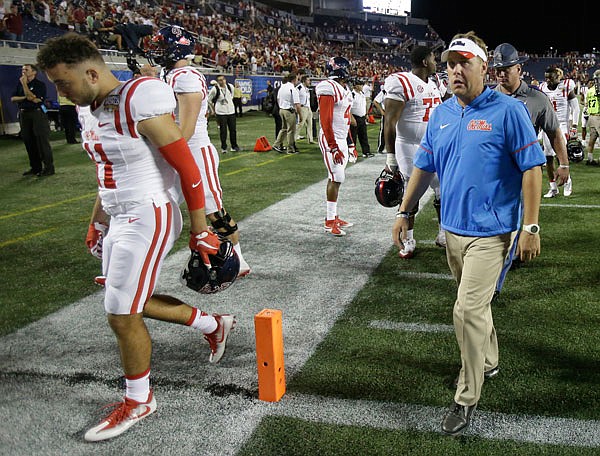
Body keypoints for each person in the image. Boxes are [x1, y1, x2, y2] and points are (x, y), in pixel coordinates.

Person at [36, 33, 236, 442]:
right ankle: (213, 324)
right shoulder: (90, 108)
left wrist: (201, 229)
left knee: (121, 312)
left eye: (63, 82)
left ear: (91, 72)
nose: (59, 92)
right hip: (120, 214)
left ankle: (139, 399)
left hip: (148, 214)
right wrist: (97, 220)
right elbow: (105, 173)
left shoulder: (137, 99)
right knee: (131, 300)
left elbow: (188, 166)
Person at [392, 32, 545, 436]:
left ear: (483, 67)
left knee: (466, 310)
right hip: (453, 232)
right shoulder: (441, 113)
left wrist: (530, 226)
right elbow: (424, 166)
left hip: (493, 233)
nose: (455, 70)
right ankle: (490, 359)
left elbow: (532, 167)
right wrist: (405, 211)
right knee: (474, 307)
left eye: (464, 62)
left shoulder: (508, 110)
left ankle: (466, 397)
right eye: (449, 63)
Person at [149, 25, 251, 278]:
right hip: (173, 150)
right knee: (158, 207)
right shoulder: (169, 75)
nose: (156, 50)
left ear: (176, 47)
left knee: (214, 212)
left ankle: (239, 258)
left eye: (162, 45)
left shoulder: (186, 77)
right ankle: (146, 260)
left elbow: (186, 130)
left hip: (192, 151)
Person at [491, 42, 570, 298]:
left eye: (506, 69)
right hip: (491, 172)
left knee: (514, 225)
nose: (501, 74)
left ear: (519, 69)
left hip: (523, 172)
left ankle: (493, 286)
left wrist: (564, 163)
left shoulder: (537, 98)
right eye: (498, 69)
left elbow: (554, 133)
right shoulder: (488, 96)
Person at [383, 46, 444, 258]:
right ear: (425, 61)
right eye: (433, 58)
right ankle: (408, 239)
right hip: (408, 144)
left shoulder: (434, 84)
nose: (436, 62)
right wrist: (390, 156)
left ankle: (443, 233)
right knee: (413, 191)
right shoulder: (401, 81)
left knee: (442, 188)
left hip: (432, 144)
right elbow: (389, 122)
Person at [317, 57, 355, 236]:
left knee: (336, 178)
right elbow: (326, 120)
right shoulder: (328, 87)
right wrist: (333, 146)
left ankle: (333, 216)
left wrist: (350, 143)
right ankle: (329, 220)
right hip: (330, 138)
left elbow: (345, 120)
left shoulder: (342, 88)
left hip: (341, 137)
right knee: (336, 177)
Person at [538, 66, 579, 197]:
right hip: (547, 125)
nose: (548, 80)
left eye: (551, 77)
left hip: (561, 125)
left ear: (558, 77)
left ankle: (567, 181)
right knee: (548, 158)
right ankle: (553, 187)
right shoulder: (542, 88)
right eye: (546, 78)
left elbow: (576, 108)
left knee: (560, 156)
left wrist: (574, 126)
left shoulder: (566, 86)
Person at [11, 64, 55, 176]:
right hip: (24, 114)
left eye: (26, 69)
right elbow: (13, 98)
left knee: (41, 142)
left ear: (34, 72)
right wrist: (26, 97)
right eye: (22, 69)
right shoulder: (19, 84)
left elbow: (33, 98)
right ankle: (35, 168)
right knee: (28, 141)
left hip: (37, 114)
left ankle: (49, 168)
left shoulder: (40, 85)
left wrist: (25, 85)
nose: (23, 71)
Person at [208, 75, 240, 153]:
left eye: (223, 79)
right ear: (218, 81)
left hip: (231, 111)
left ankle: (234, 146)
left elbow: (231, 96)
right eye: (219, 80)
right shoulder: (214, 89)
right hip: (221, 113)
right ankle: (224, 148)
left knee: (233, 130)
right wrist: (213, 110)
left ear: (225, 80)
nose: (222, 81)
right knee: (223, 131)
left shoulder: (230, 87)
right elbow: (209, 100)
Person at [272, 72, 301, 155]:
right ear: (294, 79)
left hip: (281, 109)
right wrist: (300, 115)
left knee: (284, 128)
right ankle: (290, 149)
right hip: (289, 110)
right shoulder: (293, 89)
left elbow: (278, 99)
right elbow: (297, 104)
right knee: (291, 130)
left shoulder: (282, 86)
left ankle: (277, 144)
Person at [350, 79, 373, 158]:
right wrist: (351, 117)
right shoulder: (351, 95)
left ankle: (366, 152)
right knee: (353, 137)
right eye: (360, 85)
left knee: (363, 136)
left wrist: (366, 114)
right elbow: (348, 108)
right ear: (355, 86)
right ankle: (352, 154)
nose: (362, 86)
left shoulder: (362, 94)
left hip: (362, 117)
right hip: (354, 117)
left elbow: (363, 105)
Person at [584, 70, 600, 165]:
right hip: (598, 116)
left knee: (592, 139)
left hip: (591, 117)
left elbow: (586, 103)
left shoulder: (589, 90)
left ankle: (589, 158)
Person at [296, 74, 314, 144]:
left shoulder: (306, 89)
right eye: (308, 80)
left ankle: (310, 139)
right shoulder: (299, 87)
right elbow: (295, 95)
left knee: (310, 124)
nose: (309, 81)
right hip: (302, 108)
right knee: (300, 124)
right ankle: (293, 139)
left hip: (308, 108)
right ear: (304, 81)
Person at [372, 88, 386, 154]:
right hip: (387, 113)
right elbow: (375, 101)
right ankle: (380, 148)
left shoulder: (397, 91)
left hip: (396, 113)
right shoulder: (384, 92)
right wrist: (381, 111)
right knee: (383, 131)